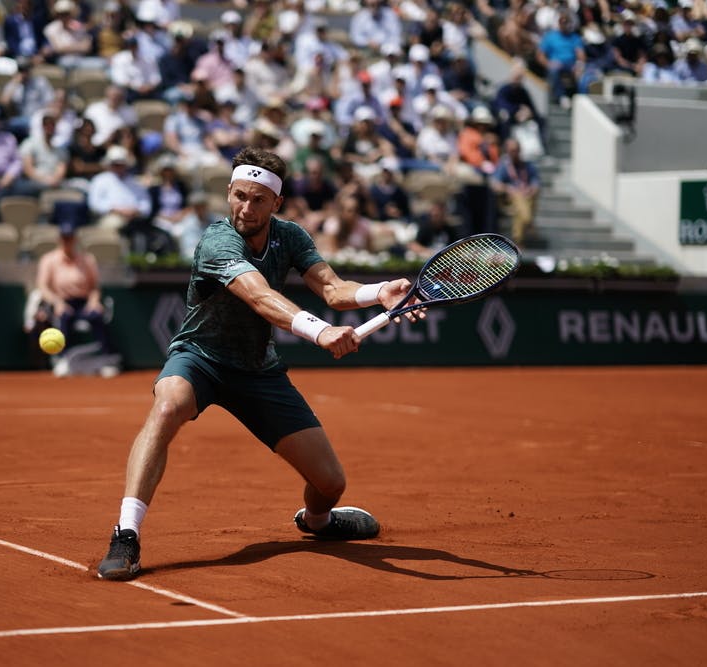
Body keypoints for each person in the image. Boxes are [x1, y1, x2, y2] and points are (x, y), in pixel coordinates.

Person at [96, 146, 420, 581]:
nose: (245, 208)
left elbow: (332, 288)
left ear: (277, 203)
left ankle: (318, 522)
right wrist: (319, 331)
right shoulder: (217, 240)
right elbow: (259, 296)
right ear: (229, 192)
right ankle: (126, 534)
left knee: (330, 483)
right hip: (200, 358)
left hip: (257, 370)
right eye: (238, 196)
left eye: (258, 200)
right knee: (169, 404)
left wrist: (378, 292)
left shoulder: (291, 236)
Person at [33, 219, 119, 378]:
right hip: (61, 302)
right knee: (63, 316)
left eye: (70, 237)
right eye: (64, 237)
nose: (67, 241)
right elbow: (43, 286)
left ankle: (107, 360)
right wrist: (57, 303)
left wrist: (94, 302)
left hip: (84, 302)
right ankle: (62, 361)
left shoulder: (87, 259)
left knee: (97, 315)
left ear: (75, 239)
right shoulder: (49, 260)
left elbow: (94, 287)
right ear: (59, 239)